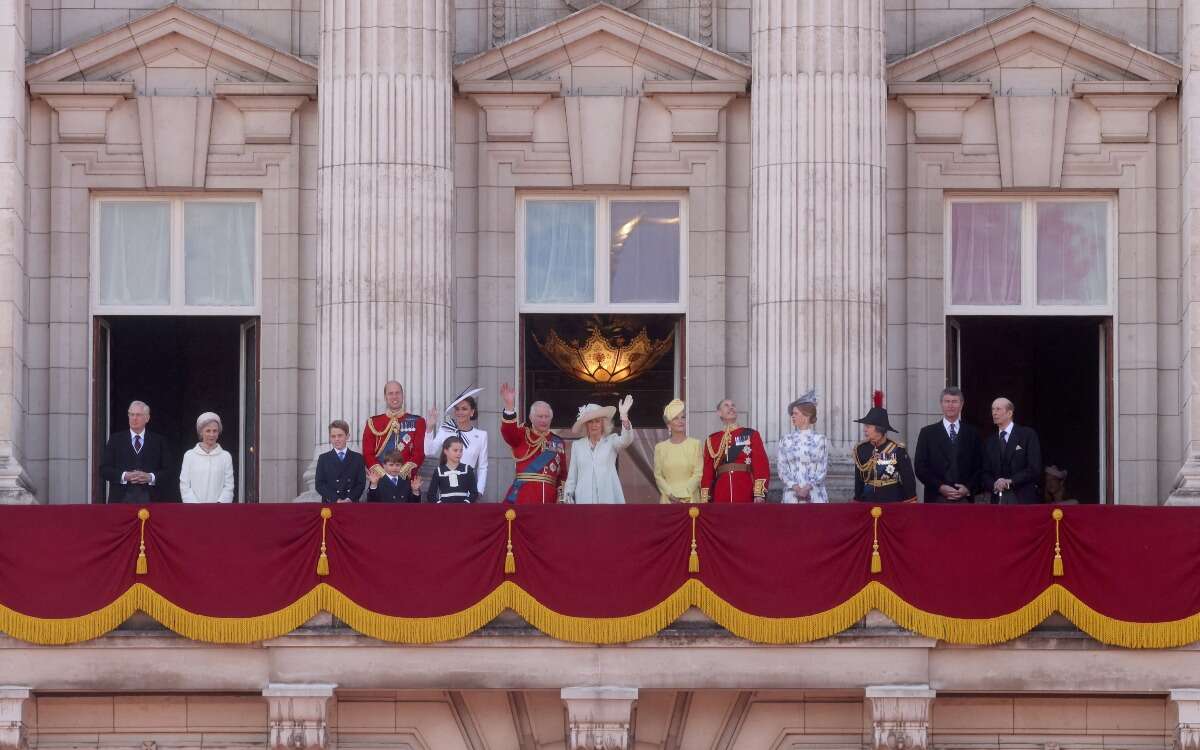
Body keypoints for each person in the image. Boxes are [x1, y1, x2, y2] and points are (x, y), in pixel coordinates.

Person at [498, 383, 567, 504]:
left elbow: (562, 475)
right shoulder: (522, 435)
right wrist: (509, 405)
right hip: (524, 496)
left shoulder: (558, 442)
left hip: (550, 498)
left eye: (546, 417)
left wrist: (560, 498)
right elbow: (508, 431)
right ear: (531, 417)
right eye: (540, 416)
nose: (543, 420)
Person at [914, 386, 984, 503]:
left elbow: (980, 467)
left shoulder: (972, 433)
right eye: (947, 401)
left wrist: (968, 488)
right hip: (936, 499)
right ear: (941, 404)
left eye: (954, 402)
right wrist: (940, 487)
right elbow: (920, 467)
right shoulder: (927, 433)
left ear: (961, 405)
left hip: (965, 500)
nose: (950, 405)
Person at [563, 397, 635, 504]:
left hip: (608, 498)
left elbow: (626, 440)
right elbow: (572, 476)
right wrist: (568, 497)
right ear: (586, 425)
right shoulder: (577, 445)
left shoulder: (611, 441)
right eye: (590, 422)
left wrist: (624, 417)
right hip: (584, 500)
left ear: (603, 424)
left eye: (597, 421)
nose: (594, 425)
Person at [99, 400, 172, 503]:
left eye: (138, 415)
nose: (134, 418)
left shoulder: (159, 441)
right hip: (121, 500)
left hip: (151, 501)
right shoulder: (115, 440)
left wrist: (150, 477)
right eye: (131, 414)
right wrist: (124, 476)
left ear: (147, 418)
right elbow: (104, 469)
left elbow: (168, 471)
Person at [701, 399, 769, 503]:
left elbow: (761, 465)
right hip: (721, 490)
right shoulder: (712, 439)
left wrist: (759, 494)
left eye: (733, 405)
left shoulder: (751, 434)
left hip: (745, 488)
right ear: (719, 413)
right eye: (726, 405)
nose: (731, 407)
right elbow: (708, 471)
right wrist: (705, 498)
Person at [852, 392, 917, 503]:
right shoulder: (861, 449)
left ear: (879, 429)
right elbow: (859, 480)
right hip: (868, 499)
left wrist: (910, 501)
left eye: (868, 426)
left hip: (892, 500)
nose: (865, 430)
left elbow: (908, 479)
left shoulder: (898, 449)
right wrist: (858, 500)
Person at [424, 387, 489, 497]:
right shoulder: (446, 429)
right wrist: (429, 429)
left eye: (464, 409)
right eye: (457, 409)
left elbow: (483, 466)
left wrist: (478, 491)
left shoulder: (482, 435)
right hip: (446, 486)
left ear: (472, 412)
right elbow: (429, 451)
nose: (460, 412)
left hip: (469, 486)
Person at [981, 397, 1043, 504]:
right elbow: (984, 472)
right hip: (998, 499)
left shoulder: (1027, 435)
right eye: (993, 409)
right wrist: (994, 484)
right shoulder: (990, 441)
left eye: (998, 409)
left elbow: (1034, 468)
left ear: (1009, 413)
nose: (994, 413)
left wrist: (1010, 481)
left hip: (1022, 497)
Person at [361, 381, 426, 483]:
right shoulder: (373, 423)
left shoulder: (418, 422)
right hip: (380, 481)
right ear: (385, 397)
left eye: (397, 393)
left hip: (407, 482)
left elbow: (419, 453)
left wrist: (401, 474)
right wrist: (384, 476)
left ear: (402, 395)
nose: (394, 396)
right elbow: (368, 454)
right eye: (390, 393)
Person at [775, 390, 829, 503]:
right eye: (792, 414)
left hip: (815, 495)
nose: (792, 417)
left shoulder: (820, 439)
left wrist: (807, 487)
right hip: (792, 496)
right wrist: (796, 488)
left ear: (806, 416)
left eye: (795, 413)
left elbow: (822, 469)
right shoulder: (785, 440)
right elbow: (781, 468)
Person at [653, 399, 702, 504]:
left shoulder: (695, 444)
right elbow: (658, 476)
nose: (681, 421)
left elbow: (698, 473)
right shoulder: (660, 448)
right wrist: (670, 494)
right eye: (676, 418)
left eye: (683, 417)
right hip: (668, 500)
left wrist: (684, 493)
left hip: (691, 499)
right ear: (669, 424)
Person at [178, 412, 235, 503]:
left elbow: (229, 486)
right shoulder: (189, 455)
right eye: (208, 431)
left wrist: (219, 505)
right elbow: (185, 486)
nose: (212, 435)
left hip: (219, 511)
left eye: (215, 431)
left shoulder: (225, 456)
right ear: (201, 432)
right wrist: (196, 507)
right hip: (194, 511)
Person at [314, 420, 366, 503]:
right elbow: (319, 484)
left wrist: (349, 499)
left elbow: (361, 483)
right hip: (331, 504)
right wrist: (336, 499)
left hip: (351, 504)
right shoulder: (323, 458)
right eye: (333, 436)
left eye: (340, 435)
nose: (336, 439)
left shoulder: (357, 458)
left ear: (347, 436)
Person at [426, 435, 479, 504]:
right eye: (455, 450)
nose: (459, 453)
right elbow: (431, 495)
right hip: (445, 511)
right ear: (446, 451)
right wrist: (440, 505)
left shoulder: (467, 469)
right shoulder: (438, 471)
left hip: (463, 510)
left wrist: (466, 503)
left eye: (461, 450)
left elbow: (474, 492)